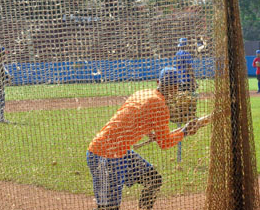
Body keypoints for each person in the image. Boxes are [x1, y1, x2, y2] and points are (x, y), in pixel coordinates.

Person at [86, 67, 202, 210]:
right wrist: (184, 131)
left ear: (158, 81)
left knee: (153, 179)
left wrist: (149, 132)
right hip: (104, 155)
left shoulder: (142, 93)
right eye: (176, 87)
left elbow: (129, 117)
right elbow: (165, 143)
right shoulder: (160, 106)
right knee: (108, 208)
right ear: (175, 88)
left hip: (118, 151)